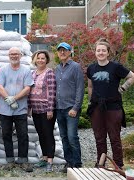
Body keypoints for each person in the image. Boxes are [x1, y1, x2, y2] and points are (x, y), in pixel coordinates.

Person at [87, 38, 134, 169]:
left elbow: (133, 77)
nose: (101, 52)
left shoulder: (116, 67)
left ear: (108, 52)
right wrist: (90, 101)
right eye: (98, 50)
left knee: (114, 138)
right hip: (97, 107)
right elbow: (90, 86)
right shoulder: (91, 68)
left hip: (113, 107)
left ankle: (118, 165)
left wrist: (123, 88)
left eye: (103, 50)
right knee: (99, 138)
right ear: (95, 52)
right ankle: (101, 164)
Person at [0, 47, 34, 172]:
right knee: (6, 134)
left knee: (23, 135)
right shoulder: (3, 70)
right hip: (4, 110)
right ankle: (10, 160)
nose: (14, 56)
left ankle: (23, 160)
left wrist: (15, 98)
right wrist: (8, 98)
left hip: (21, 109)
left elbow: (27, 88)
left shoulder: (26, 70)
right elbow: (0, 87)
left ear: (20, 55)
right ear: (9, 55)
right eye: (12, 54)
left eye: (16, 54)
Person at [55, 42, 84, 171]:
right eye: (60, 50)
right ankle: (69, 162)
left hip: (71, 108)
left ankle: (77, 163)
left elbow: (80, 88)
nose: (62, 53)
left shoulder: (76, 67)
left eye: (64, 50)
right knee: (64, 137)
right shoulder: (57, 68)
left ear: (69, 52)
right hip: (59, 108)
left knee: (72, 137)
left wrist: (76, 108)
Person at [28, 50, 56, 172]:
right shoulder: (33, 73)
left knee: (48, 134)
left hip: (46, 110)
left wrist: (50, 109)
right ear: (35, 60)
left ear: (46, 60)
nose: (40, 60)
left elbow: (52, 92)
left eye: (43, 58)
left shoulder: (49, 73)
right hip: (35, 109)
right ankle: (44, 158)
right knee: (41, 134)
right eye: (38, 58)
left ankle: (50, 160)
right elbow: (29, 92)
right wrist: (29, 107)